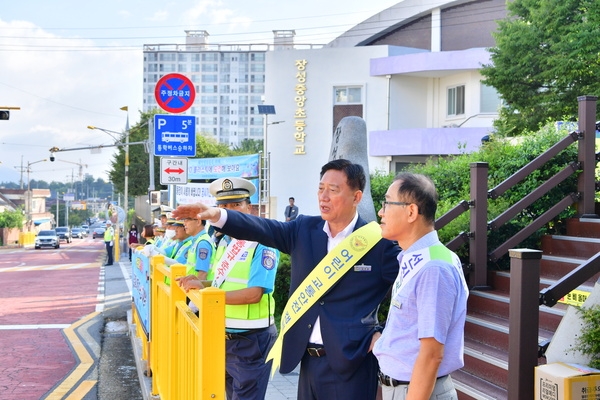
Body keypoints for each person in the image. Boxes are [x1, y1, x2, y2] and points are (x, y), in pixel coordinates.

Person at [173, 159, 400, 400]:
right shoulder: (304, 229)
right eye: (320, 188)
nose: (323, 197)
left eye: (333, 190)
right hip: (307, 362)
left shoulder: (378, 243)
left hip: (353, 364)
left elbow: (412, 293)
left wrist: (384, 332)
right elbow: (261, 227)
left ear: (356, 197)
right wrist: (218, 215)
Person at [175, 177, 279, 400]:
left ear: (248, 207)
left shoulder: (262, 243)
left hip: (252, 341)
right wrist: (201, 284)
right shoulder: (227, 243)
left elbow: (253, 294)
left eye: (236, 205)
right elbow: (224, 284)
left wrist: (208, 296)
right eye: (223, 207)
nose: (230, 212)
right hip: (223, 336)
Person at [372, 173, 469, 400]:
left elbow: (431, 354)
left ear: (411, 212)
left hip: (417, 392)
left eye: (387, 202)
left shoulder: (433, 267)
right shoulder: (419, 258)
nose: (381, 211)